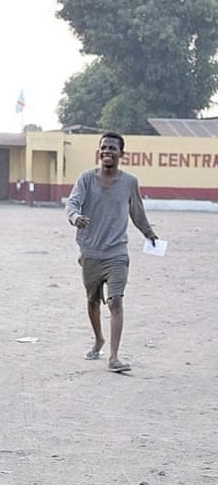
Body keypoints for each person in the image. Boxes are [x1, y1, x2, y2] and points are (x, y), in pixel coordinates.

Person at [65, 132, 157, 373]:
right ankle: (99, 339)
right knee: (93, 301)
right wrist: (75, 218)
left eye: (112, 148)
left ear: (121, 154)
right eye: (103, 147)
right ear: (99, 152)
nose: (107, 151)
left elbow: (137, 211)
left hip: (117, 253)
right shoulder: (86, 179)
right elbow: (72, 203)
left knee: (115, 301)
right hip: (91, 252)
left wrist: (149, 233)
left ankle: (114, 357)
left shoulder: (129, 182)